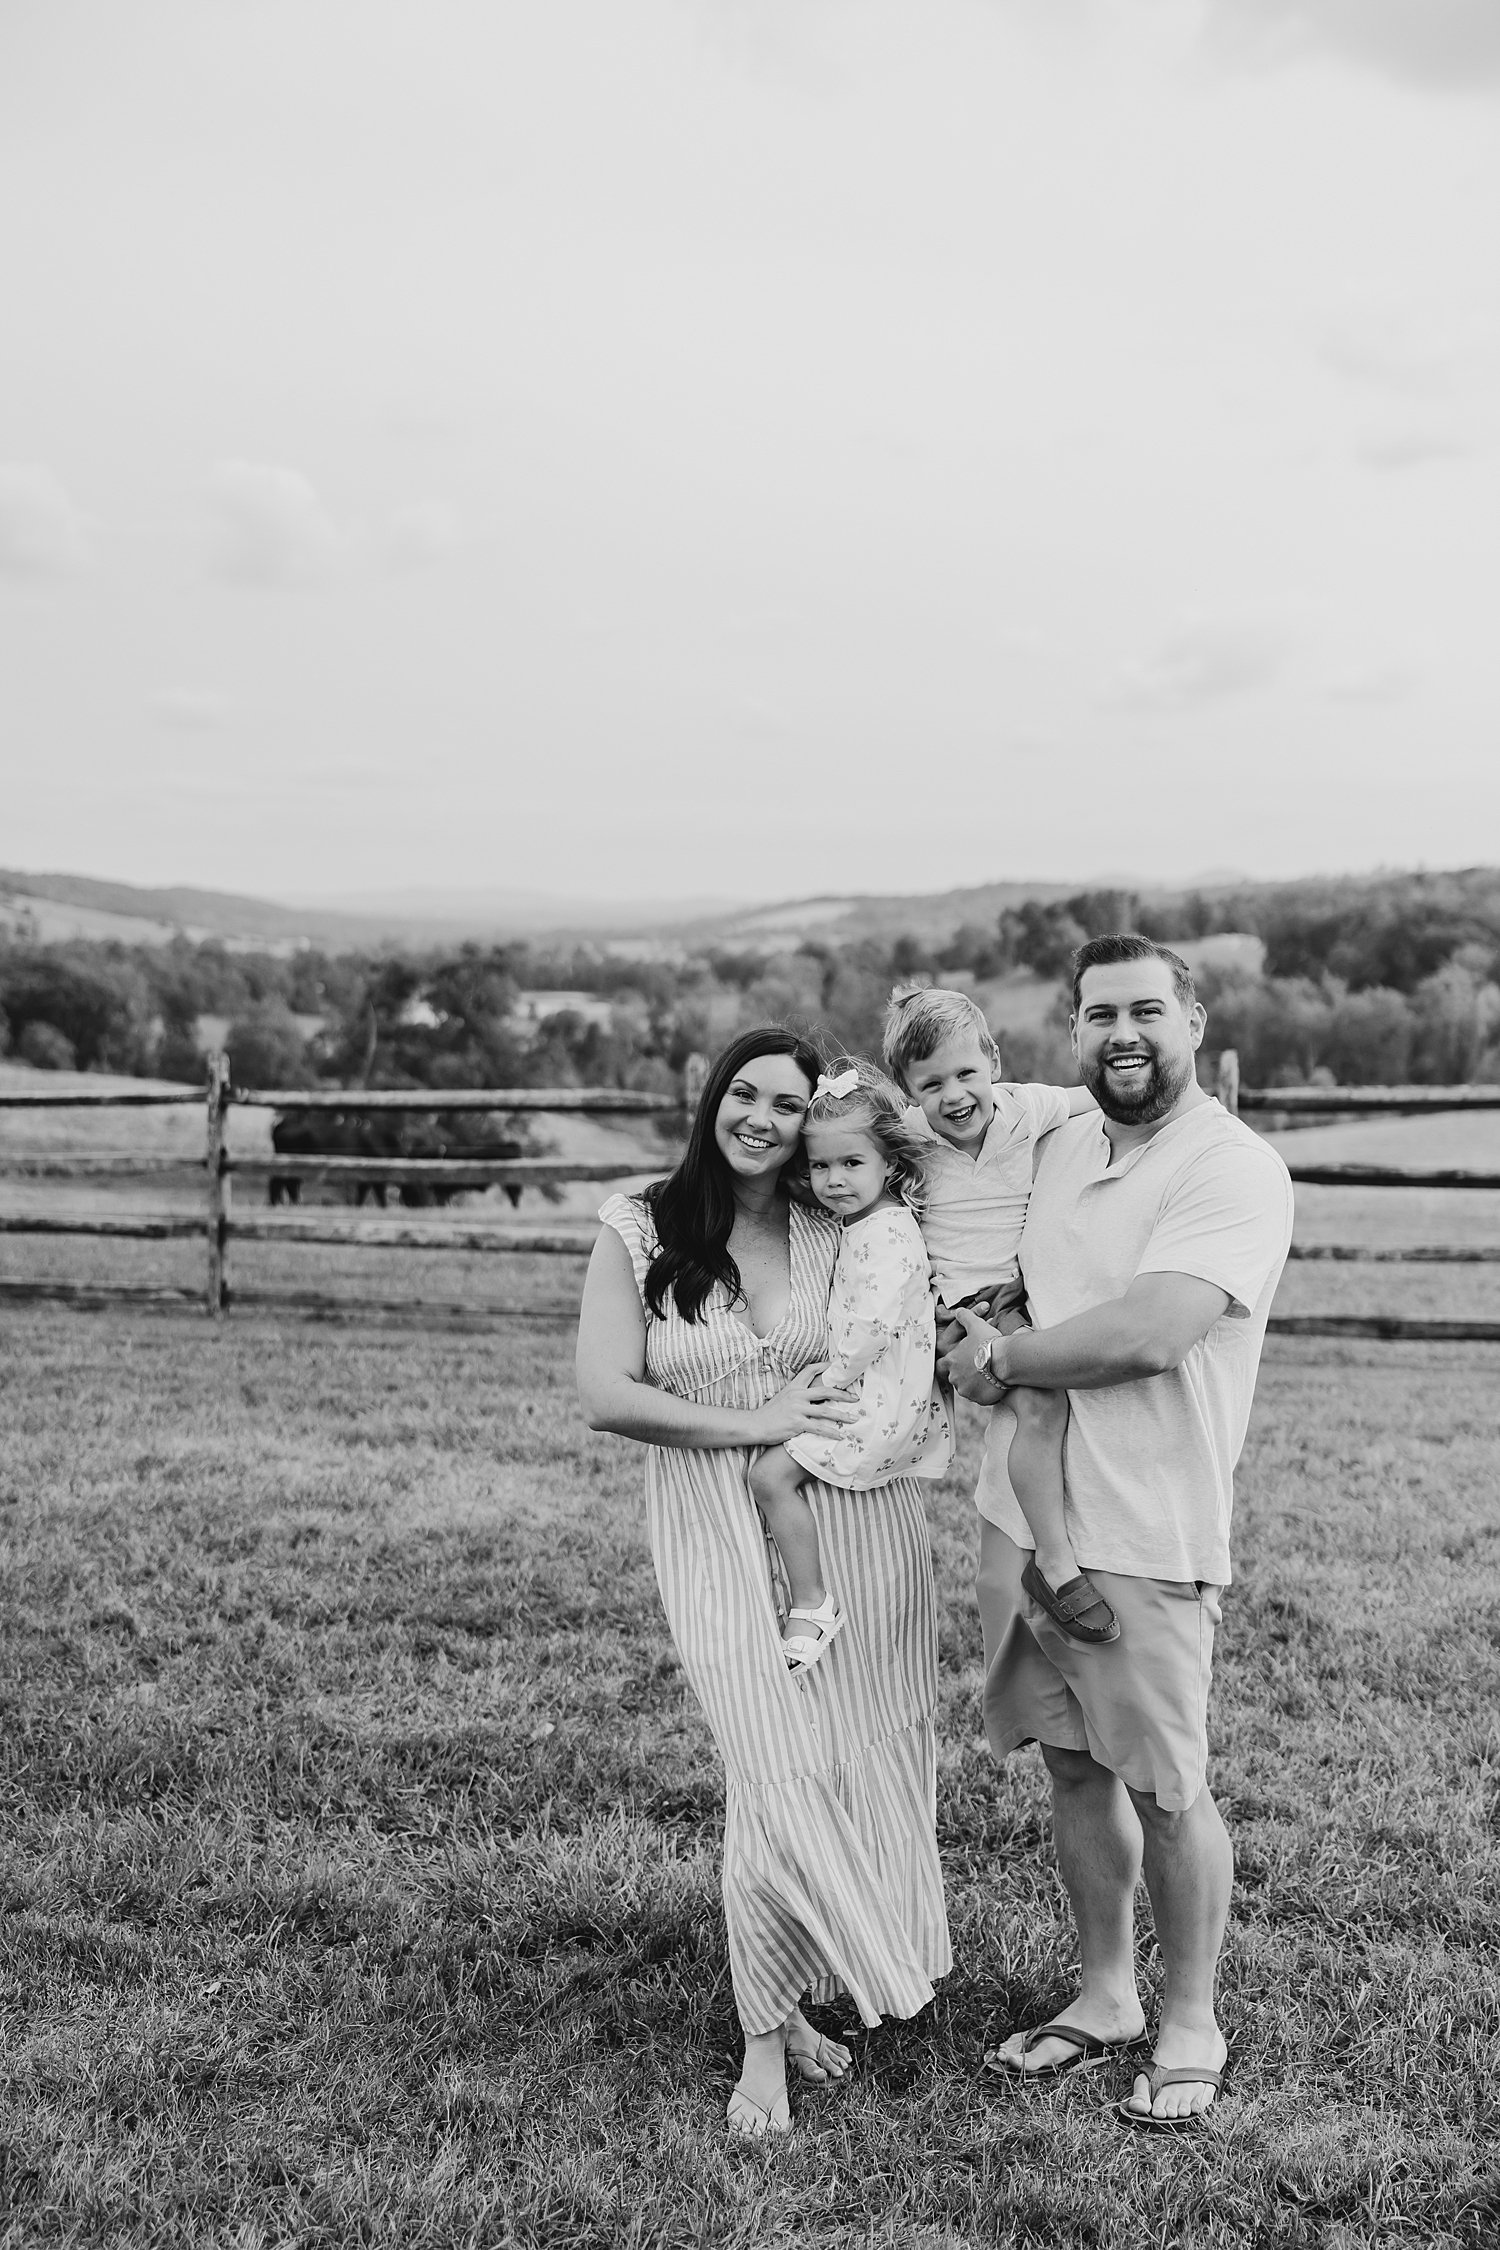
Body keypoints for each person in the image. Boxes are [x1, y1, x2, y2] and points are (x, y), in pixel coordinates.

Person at [939, 935, 1293, 2131]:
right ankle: (1106, 1997)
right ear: (1072, 1030)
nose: (1123, 1033)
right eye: (1099, 1015)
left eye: (1148, 1010)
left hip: (1146, 1525)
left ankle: (1190, 2017)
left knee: (1167, 1783)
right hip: (1028, 1515)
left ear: (1193, 1022)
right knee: (1074, 1766)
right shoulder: (1061, 1137)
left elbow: (1152, 1330)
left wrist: (997, 1358)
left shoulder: (1231, 1167)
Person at [576, 1028, 952, 2141]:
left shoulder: (833, 1216)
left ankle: (799, 1997)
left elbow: (913, 1278)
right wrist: (752, 1425)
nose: (763, 1119)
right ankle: (761, 2036)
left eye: (788, 1106)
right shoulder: (639, 1224)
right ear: (713, 1098)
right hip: (710, 1528)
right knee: (773, 1766)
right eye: (746, 1093)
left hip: (853, 1529)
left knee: (849, 1755)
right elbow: (606, 1392)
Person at [882, 986, 1111, 1641]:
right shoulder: (909, 1136)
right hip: (954, 1307)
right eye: (931, 1084)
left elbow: (1096, 1094)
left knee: (1045, 1403)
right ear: (909, 1092)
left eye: (965, 1074)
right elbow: (840, 1149)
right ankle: (1056, 1562)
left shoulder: (1027, 1109)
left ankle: (1053, 1554)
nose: (954, 1095)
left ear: (994, 1064)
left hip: (1017, 1298)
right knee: (1033, 1404)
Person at [747, 1058, 953, 1673]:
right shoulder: (867, 1220)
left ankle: (811, 1603)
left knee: (768, 1478)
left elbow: (872, 1326)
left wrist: (822, 1383)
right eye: (820, 1165)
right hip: (878, 1393)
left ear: (890, 1162)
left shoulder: (887, 1234)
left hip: (871, 1400)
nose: (833, 1180)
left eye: (851, 1163)